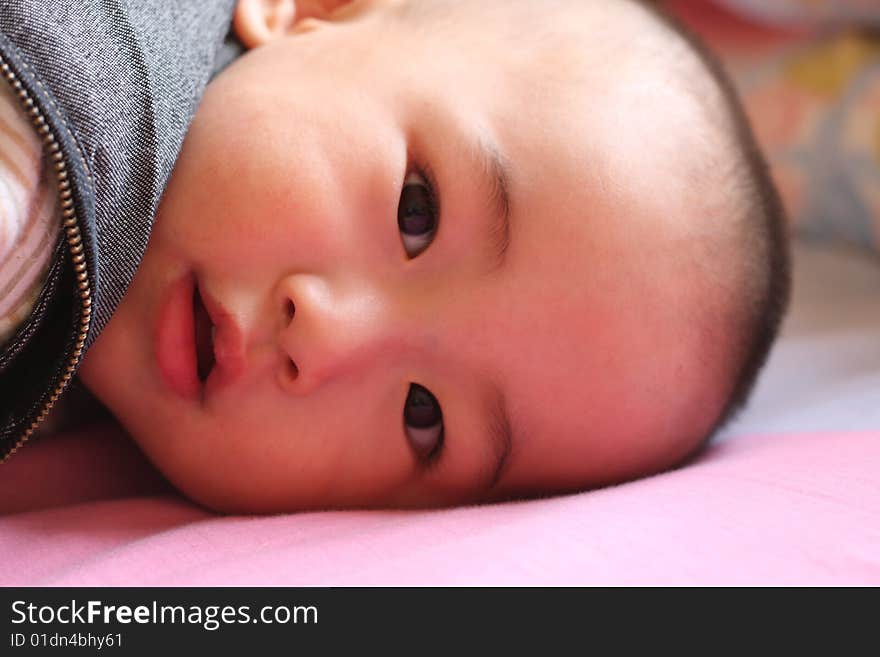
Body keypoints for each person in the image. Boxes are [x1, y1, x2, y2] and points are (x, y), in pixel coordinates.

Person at [2, 0, 791, 514]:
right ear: (313, 10)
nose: (328, 338)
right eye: (418, 211)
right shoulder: (90, 78)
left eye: (426, 415)